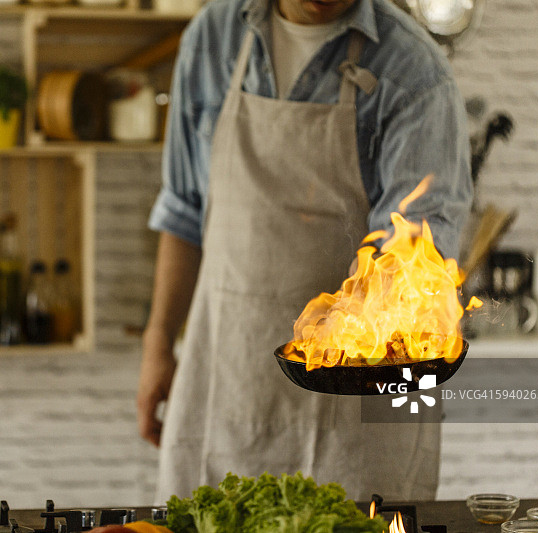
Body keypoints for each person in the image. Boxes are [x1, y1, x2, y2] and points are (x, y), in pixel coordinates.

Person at [137, 0, 473, 503]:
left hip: (359, 410)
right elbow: (184, 212)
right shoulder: (214, 37)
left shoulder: (415, 72)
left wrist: (348, 335)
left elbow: (413, 253)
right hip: (227, 378)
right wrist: (159, 344)